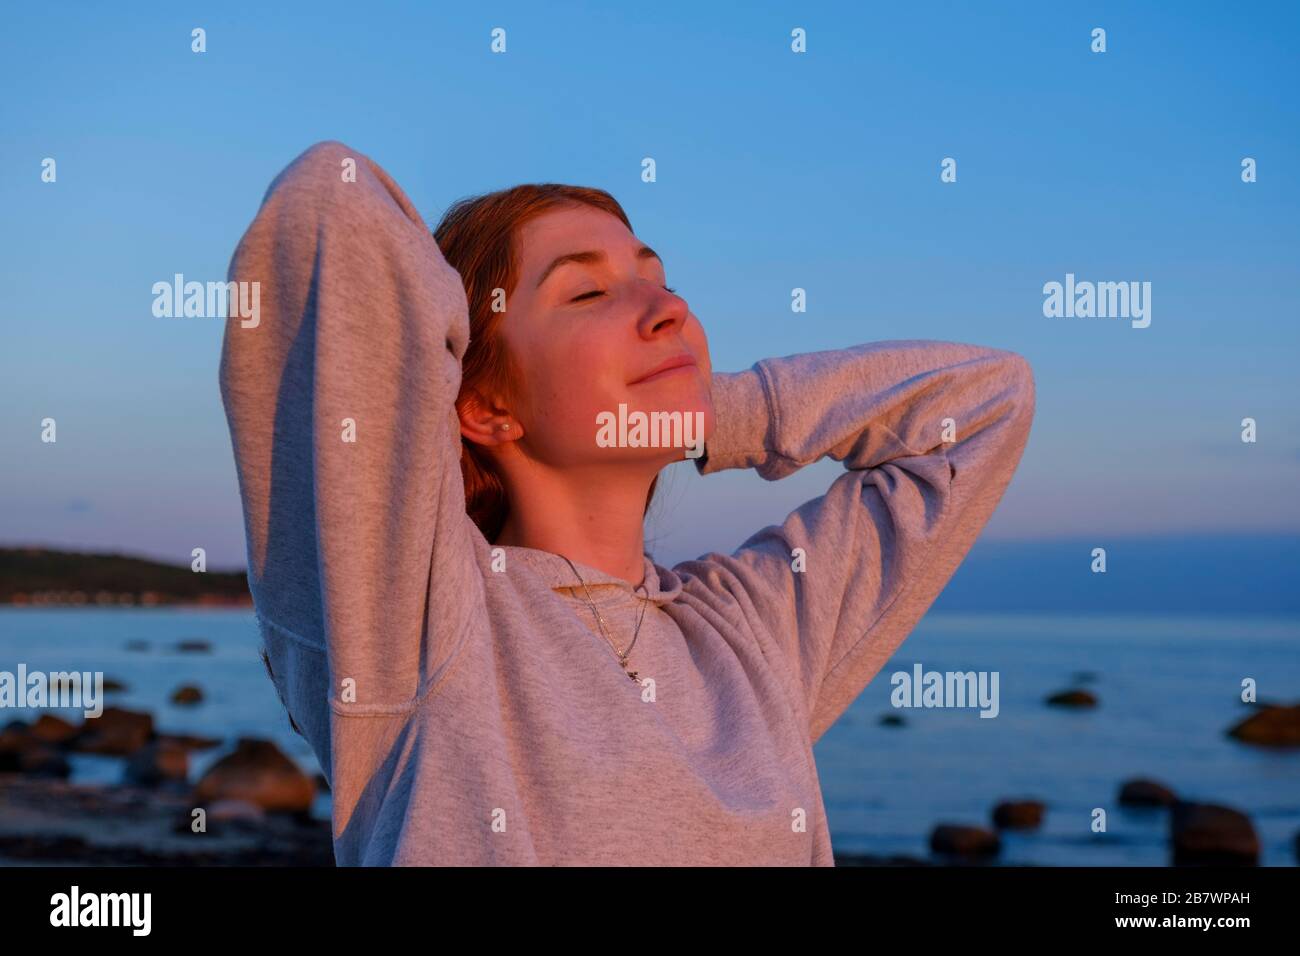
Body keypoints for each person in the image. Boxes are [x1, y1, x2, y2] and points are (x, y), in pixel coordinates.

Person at [218, 140, 1036, 865]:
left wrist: (721, 410)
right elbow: (329, 201)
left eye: (660, 282)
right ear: (485, 405)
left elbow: (987, 404)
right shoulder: (418, 614)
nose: (669, 310)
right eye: (586, 294)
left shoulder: (755, 628)